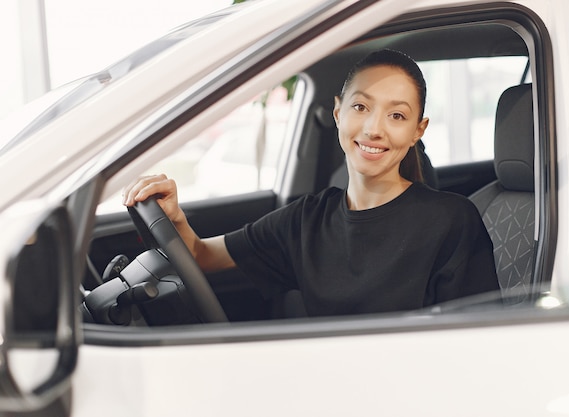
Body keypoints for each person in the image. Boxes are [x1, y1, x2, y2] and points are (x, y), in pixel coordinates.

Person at [123, 49, 499, 317]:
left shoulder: (451, 221)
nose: (373, 128)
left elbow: (476, 340)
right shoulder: (305, 221)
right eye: (360, 107)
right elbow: (202, 257)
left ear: (418, 130)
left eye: (397, 115)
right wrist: (174, 216)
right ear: (338, 113)